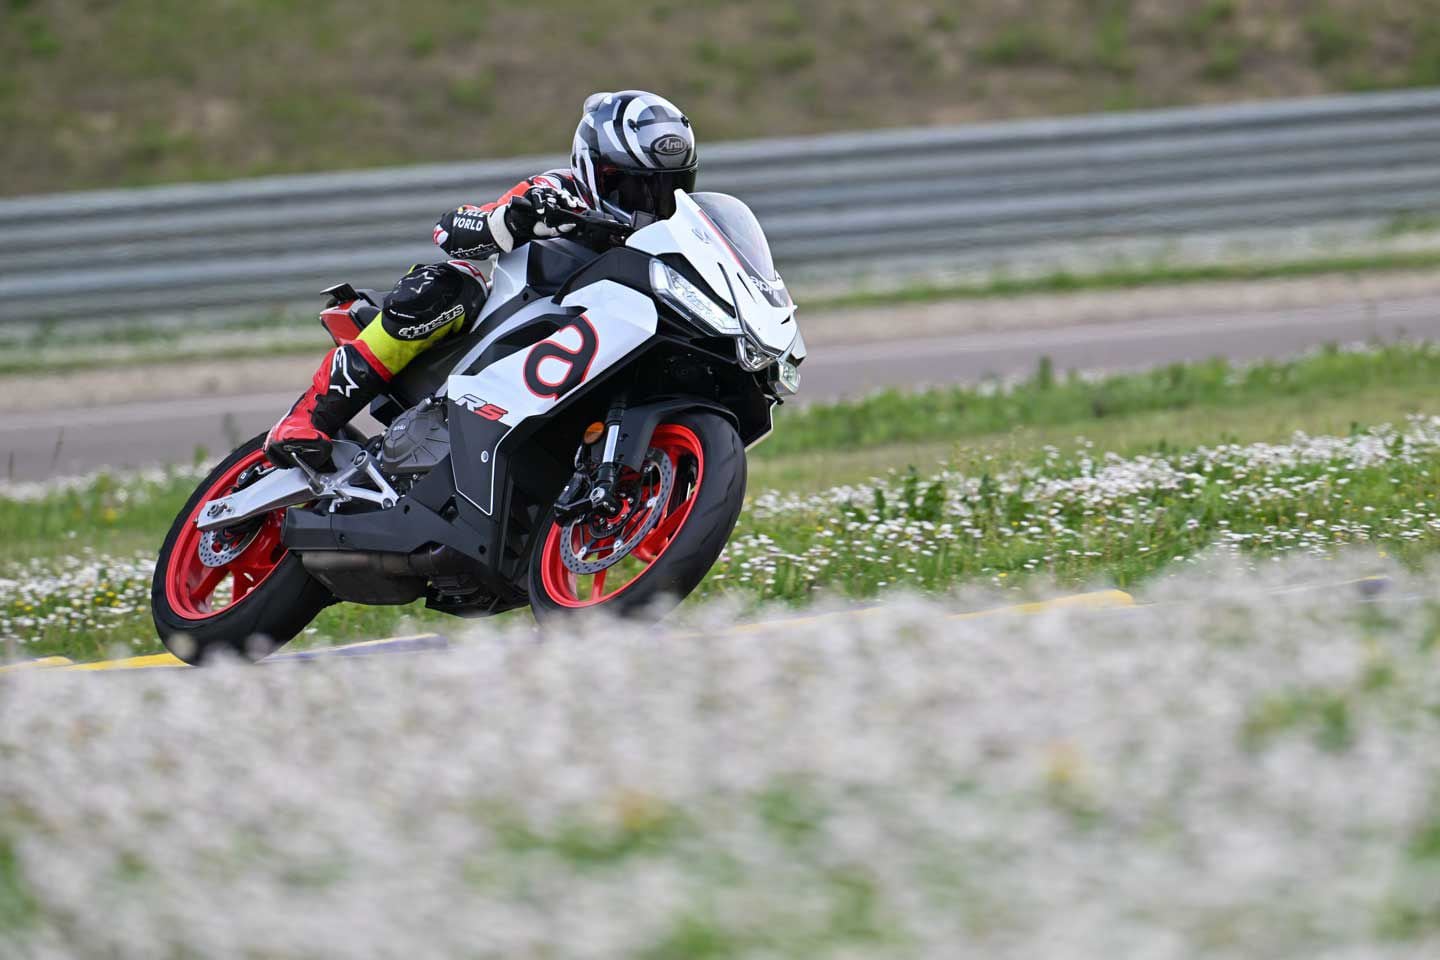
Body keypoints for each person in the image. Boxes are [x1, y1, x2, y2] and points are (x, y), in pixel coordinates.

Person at [264, 90, 699, 469]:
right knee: (454, 282)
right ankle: (308, 418)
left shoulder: (672, 238)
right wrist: (514, 218)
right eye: (632, 186)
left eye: (666, 188)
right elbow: (448, 230)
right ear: (594, 168)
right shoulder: (556, 191)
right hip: (505, 333)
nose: (650, 203)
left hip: (597, 353)